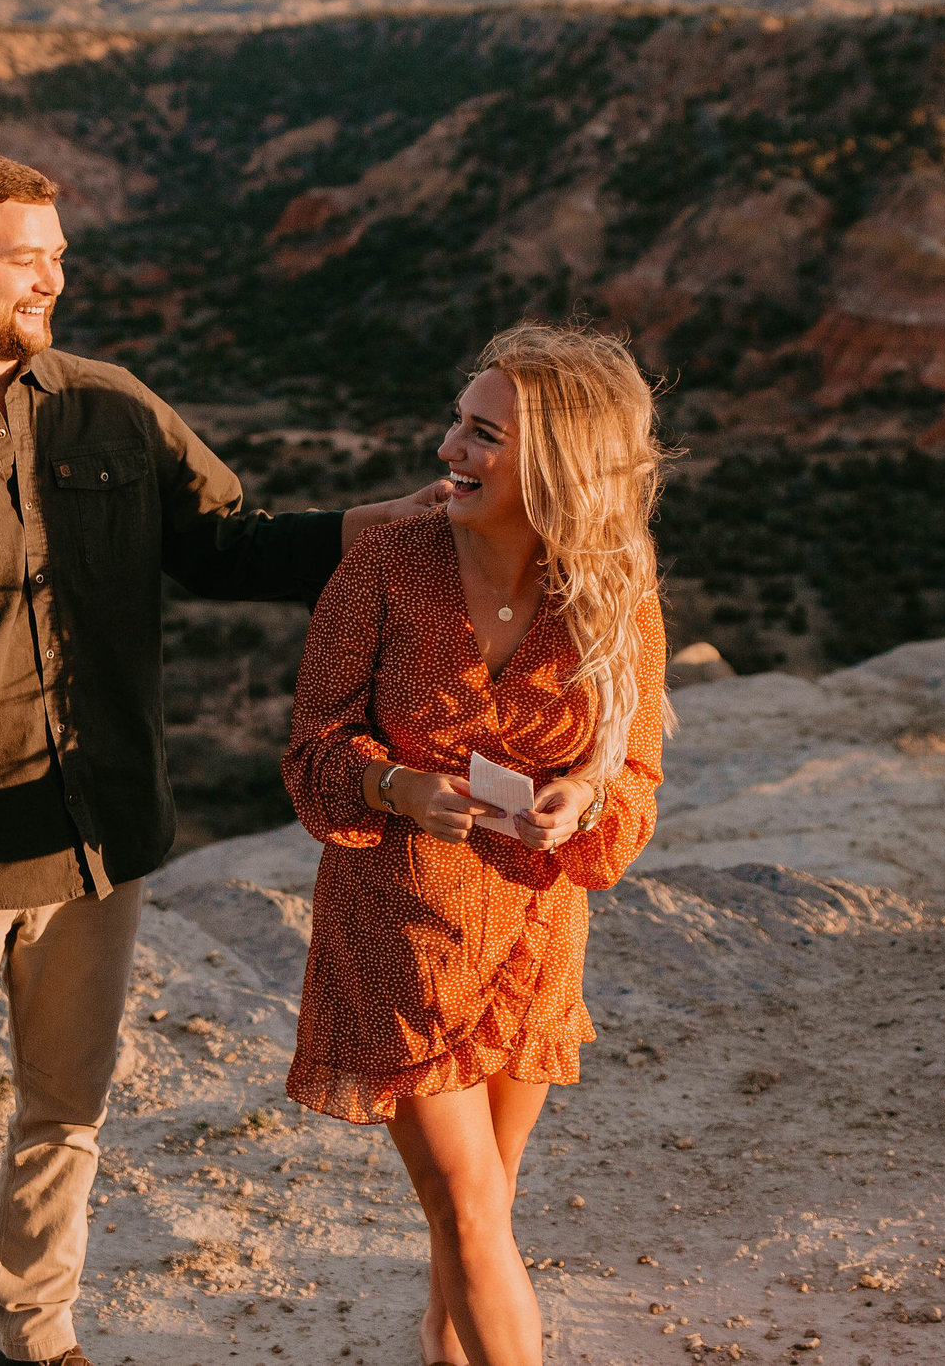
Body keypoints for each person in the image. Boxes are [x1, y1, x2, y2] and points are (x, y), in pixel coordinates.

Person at [0, 149, 445, 1366]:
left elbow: (229, 543)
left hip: (96, 845)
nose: (51, 281)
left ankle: (35, 1334)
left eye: (60, 258)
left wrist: (410, 521)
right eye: (27, 258)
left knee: (66, 1115)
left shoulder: (110, 405)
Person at [281, 322, 674, 1366]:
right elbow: (310, 749)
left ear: (558, 465)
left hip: (533, 938)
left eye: (483, 433)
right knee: (467, 1203)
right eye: (459, 421)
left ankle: (441, 1347)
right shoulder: (382, 568)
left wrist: (581, 803)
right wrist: (397, 782)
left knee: (481, 1205)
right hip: (396, 930)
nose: (450, 448)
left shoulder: (614, 599)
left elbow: (630, 776)